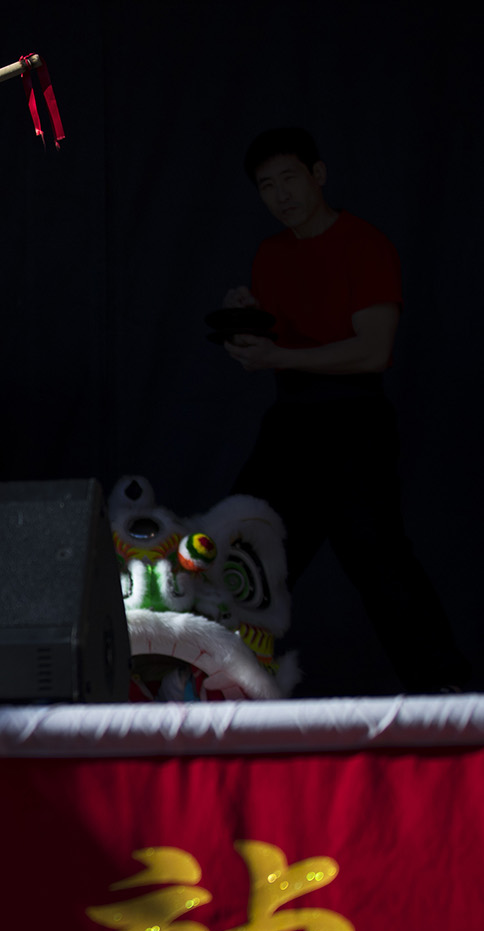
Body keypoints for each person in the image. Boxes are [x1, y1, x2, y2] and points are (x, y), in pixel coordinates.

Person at [220, 127, 468, 693]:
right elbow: (281, 338)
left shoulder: (365, 244)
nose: (281, 194)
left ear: (319, 175)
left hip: (354, 422)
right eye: (267, 186)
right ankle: (221, 685)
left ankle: (446, 695)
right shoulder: (270, 254)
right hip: (293, 422)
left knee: (380, 562)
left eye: (290, 178)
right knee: (246, 554)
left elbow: (373, 350)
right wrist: (247, 319)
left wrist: (278, 353)